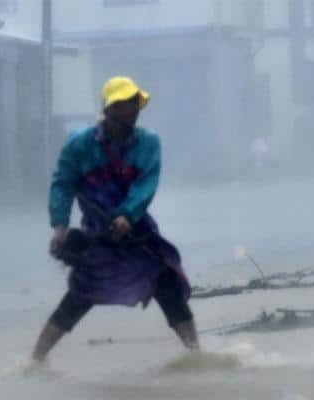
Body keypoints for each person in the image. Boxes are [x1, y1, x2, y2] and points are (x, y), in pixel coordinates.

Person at [31, 76, 199, 362]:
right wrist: (59, 226)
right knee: (79, 296)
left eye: (135, 104)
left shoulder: (148, 143)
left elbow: (146, 184)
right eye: (125, 105)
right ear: (109, 110)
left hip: (136, 231)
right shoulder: (79, 145)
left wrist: (127, 215)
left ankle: (196, 355)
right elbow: (63, 184)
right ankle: (34, 361)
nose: (133, 110)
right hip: (97, 234)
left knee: (166, 285)